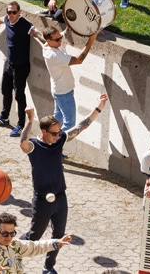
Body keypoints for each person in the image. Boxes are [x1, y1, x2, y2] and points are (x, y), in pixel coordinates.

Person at [18, 94, 106, 273]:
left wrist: (98, 108)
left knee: (58, 235)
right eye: (54, 133)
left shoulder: (59, 141)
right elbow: (22, 144)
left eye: (59, 132)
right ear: (44, 131)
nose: (57, 136)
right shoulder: (35, 147)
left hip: (60, 197)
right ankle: (10, 250)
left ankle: (48, 267)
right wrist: (30, 120)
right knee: (34, 237)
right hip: (42, 200)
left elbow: (81, 126)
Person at [29, 26, 93, 130]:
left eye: (60, 37)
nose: (60, 40)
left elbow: (65, 33)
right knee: (70, 124)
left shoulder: (50, 44)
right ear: (49, 41)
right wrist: (91, 40)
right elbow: (78, 60)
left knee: (57, 120)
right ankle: (57, 139)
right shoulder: (53, 55)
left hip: (59, 91)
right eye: (57, 39)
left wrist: (72, 23)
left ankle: (49, 138)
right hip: (64, 93)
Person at [0, 2, 32, 136]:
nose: (11, 15)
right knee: (5, 90)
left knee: (19, 95)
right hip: (9, 63)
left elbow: (35, 32)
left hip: (21, 66)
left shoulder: (24, 24)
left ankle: (21, 125)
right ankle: (4, 117)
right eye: (9, 12)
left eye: (14, 12)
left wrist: (48, 41)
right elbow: (1, 19)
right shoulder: (7, 19)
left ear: (19, 12)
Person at [0, 212, 74, 273]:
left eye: (12, 233)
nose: (9, 237)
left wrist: (56, 242)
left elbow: (34, 247)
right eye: (5, 234)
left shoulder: (14, 243)